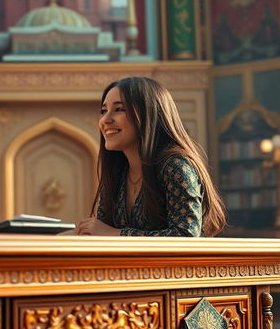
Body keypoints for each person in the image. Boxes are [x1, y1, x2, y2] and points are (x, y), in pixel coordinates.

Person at [76, 77, 226, 237]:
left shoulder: (175, 165)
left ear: (149, 113)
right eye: (103, 111)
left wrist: (117, 234)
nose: (105, 120)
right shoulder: (118, 171)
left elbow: (186, 236)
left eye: (119, 109)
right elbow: (102, 230)